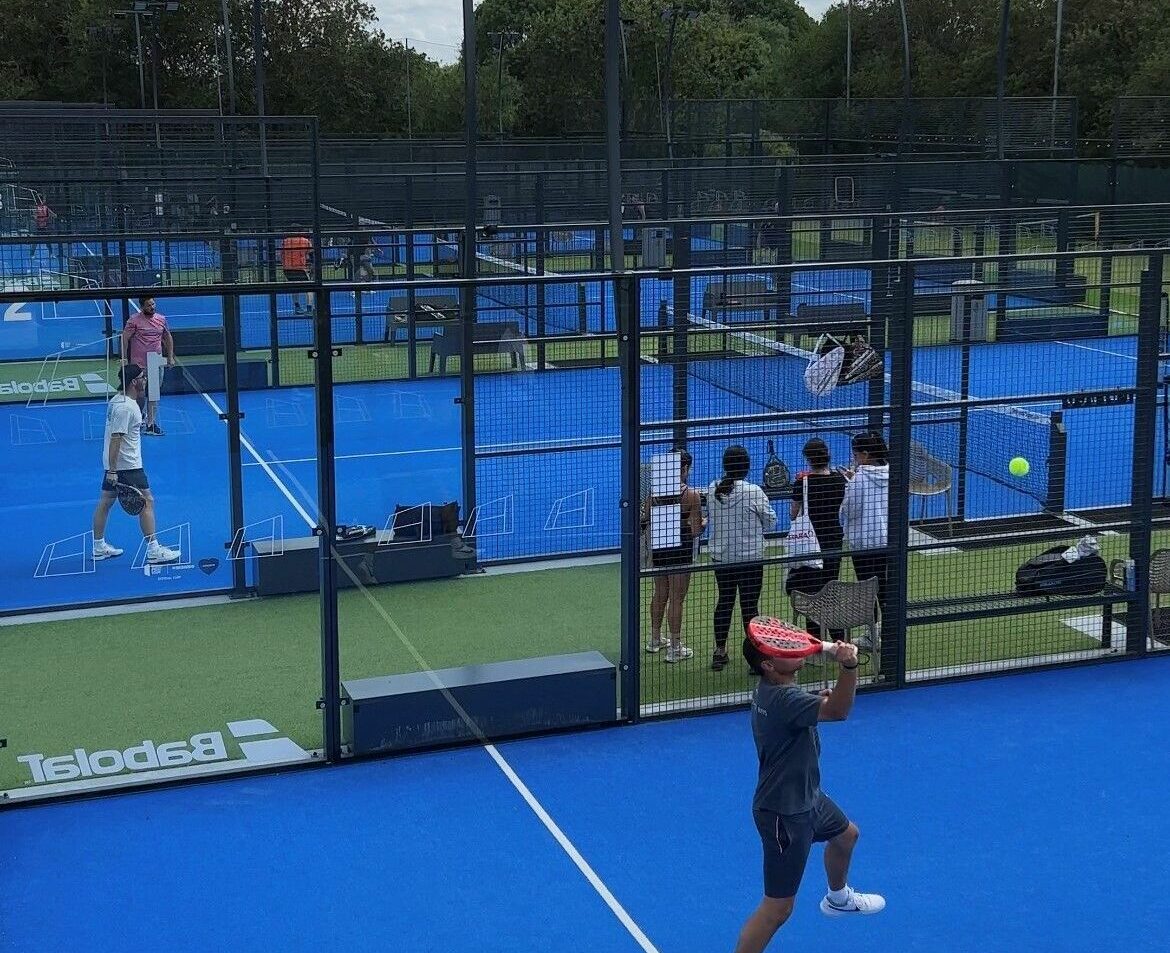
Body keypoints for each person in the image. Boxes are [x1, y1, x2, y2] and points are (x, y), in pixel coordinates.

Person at [733, 635, 885, 953]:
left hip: (807, 797)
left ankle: (838, 899)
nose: (792, 650)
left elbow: (818, 709)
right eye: (782, 651)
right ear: (769, 665)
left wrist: (822, 702)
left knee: (846, 836)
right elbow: (839, 711)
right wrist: (848, 665)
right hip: (785, 815)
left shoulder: (775, 692)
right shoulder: (784, 699)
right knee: (778, 909)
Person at [91, 364, 180, 565]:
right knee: (147, 502)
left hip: (115, 464)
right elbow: (116, 438)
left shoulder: (118, 401)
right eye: (142, 377)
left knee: (105, 502)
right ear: (134, 382)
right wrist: (113, 471)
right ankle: (154, 550)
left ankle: (98, 547)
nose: (145, 380)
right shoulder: (125, 407)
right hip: (127, 466)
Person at [707, 445, 777, 671]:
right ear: (746, 467)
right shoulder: (754, 491)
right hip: (750, 560)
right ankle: (755, 657)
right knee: (750, 606)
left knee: (725, 601)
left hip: (723, 559)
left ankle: (720, 652)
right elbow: (771, 521)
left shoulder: (712, 489)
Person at [643, 449, 704, 663]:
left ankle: (654, 639)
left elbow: (646, 517)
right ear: (685, 468)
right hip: (680, 550)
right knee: (677, 599)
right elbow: (696, 530)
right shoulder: (692, 495)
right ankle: (675, 648)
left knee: (660, 593)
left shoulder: (654, 493)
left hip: (660, 547)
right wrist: (702, 522)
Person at [785, 438, 848, 641]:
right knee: (830, 589)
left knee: (812, 592)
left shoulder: (802, 482)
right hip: (833, 539)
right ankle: (838, 640)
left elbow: (793, 514)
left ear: (808, 459)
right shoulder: (840, 480)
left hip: (810, 542)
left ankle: (814, 643)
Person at [839, 431, 891, 636]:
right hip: (887, 540)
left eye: (855, 454)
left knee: (868, 591)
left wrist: (850, 484)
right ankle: (888, 631)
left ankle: (872, 635)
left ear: (866, 454)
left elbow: (850, 510)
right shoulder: (892, 473)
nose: (854, 459)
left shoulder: (859, 479)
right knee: (886, 587)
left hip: (864, 543)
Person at [122, 297, 175, 436]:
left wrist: (170, 357)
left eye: (153, 304)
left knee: (154, 394)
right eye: (149, 305)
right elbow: (125, 338)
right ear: (142, 307)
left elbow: (167, 337)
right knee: (139, 394)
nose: (152, 307)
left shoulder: (161, 319)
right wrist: (124, 359)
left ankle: (150, 424)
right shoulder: (133, 321)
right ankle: (139, 417)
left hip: (155, 363)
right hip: (138, 365)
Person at [281, 228, 314, 314]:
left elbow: (281, 254)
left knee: (295, 287)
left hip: (287, 269)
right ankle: (309, 308)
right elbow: (311, 254)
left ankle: (297, 307)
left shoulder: (285, 241)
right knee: (309, 288)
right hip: (299, 268)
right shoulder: (305, 241)